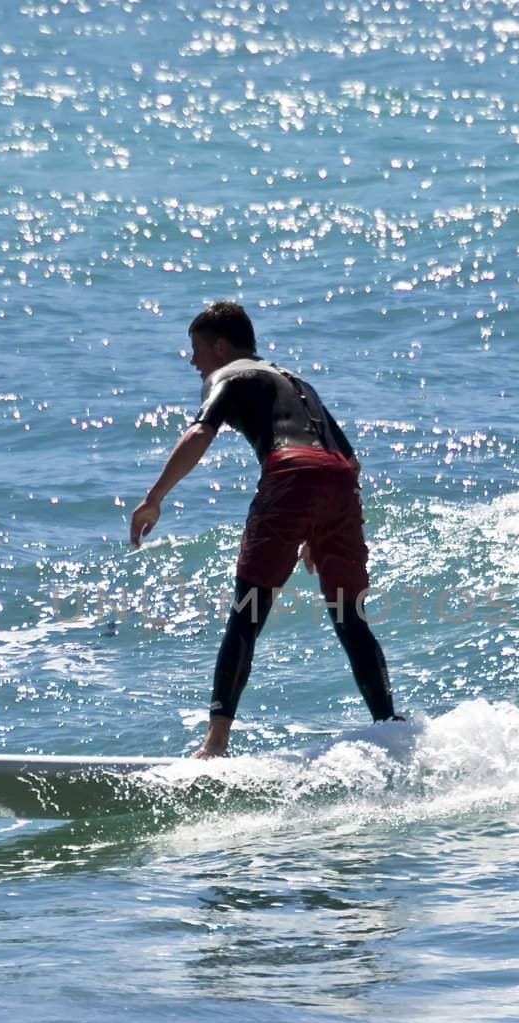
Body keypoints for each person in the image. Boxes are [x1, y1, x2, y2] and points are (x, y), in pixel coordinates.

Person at [130, 301, 398, 757]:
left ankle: (215, 742)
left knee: (247, 613)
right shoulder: (296, 380)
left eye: (196, 349)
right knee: (348, 616)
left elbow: (199, 433)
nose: (193, 361)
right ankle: (390, 725)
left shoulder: (228, 376)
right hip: (340, 481)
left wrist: (154, 497)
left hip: (290, 473)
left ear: (221, 346)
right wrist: (320, 527)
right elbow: (347, 458)